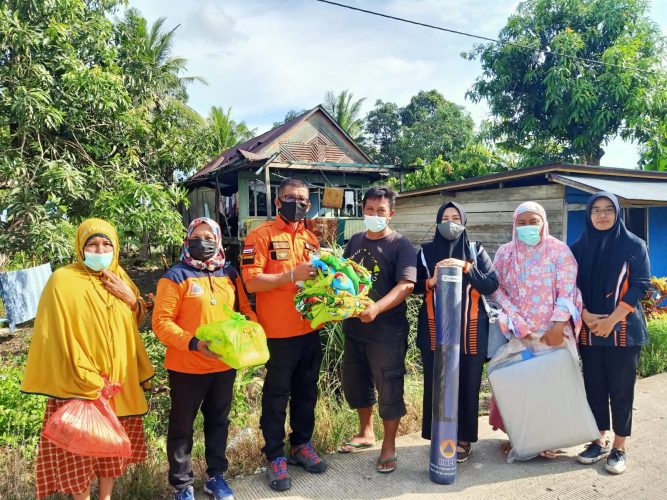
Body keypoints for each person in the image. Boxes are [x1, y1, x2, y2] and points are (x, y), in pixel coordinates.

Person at [21, 218, 154, 500]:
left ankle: (105, 498)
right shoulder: (63, 280)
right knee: (80, 450)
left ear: (116, 247)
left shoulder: (120, 277)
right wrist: (88, 377)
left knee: (110, 450)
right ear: (80, 248)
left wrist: (132, 300)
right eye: (92, 244)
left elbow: (136, 320)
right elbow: (55, 334)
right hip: (80, 384)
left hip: (118, 385)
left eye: (107, 243)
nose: (100, 249)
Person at [152, 217, 256, 500]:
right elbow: (161, 322)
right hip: (186, 366)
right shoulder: (175, 276)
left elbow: (245, 310)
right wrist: (195, 344)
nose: (203, 242)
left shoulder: (229, 273)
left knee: (218, 421)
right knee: (182, 426)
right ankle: (182, 485)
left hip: (223, 365)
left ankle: (216, 477)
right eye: (197, 236)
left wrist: (248, 331)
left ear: (219, 240)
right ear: (187, 240)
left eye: (209, 236)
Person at [241, 178, 326, 492]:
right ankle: (274, 456)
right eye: (290, 198)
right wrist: (291, 275)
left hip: (310, 328)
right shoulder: (260, 236)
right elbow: (251, 283)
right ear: (278, 202)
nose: (297, 203)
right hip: (277, 334)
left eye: (303, 199)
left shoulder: (311, 240)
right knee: (276, 397)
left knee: (307, 393)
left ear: (308, 204)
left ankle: (301, 445)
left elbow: (318, 283)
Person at [490, 201, 582, 458]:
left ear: (544, 223)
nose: (527, 227)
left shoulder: (559, 251)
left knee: (552, 386)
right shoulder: (505, 253)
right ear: (514, 225)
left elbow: (567, 290)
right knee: (520, 386)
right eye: (521, 223)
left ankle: (549, 439)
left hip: (553, 334)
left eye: (533, 221)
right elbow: (496, 289)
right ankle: (520, 436)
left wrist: (557, 325)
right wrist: (518, 322)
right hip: (520, 334)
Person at [570, 192, 651, 475]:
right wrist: (585, 315)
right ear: (589, 215)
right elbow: (571, 287)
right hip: (589, 329)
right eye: (596, 210)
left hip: (623, 330)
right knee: (594, 387)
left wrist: (611, 320)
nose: (602, 215)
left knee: (620, 390)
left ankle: (619, 446)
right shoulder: (578, 248)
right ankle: (598, 439)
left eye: (608, 210)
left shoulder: (633, 245)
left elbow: (641, 285)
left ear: (617, 213)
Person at [337, 186, 416, 474]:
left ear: (390, 214)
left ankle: (389, 445)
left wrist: (376, 308)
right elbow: (343, 276)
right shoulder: (356, 240)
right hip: (355, 329)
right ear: (363, 211)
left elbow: (406, 285)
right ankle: (366, 432)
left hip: (387, 333)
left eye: (380, 211)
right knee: (356, 384)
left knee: (389, 387)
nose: (374, 215)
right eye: (369, 210)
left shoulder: (400, 244)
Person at [414, 201, 498, 462]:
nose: (450, 223)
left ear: (464, 222)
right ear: (437, 222)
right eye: (445, 217)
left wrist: (467, 268)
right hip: (434, 328)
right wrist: (431, 280)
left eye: (455, 217)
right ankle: (438, 434)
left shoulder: (476, 249)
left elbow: (491, 284)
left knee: (468, 384)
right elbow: (413, 285)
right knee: (436, 382)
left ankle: (463, 438)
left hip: (470, 331)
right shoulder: (425, 252)